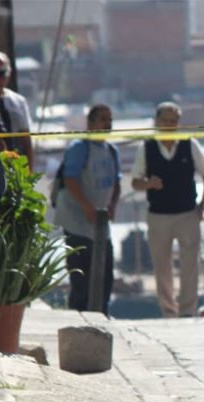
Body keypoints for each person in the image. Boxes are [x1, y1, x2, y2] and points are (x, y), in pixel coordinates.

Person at [131, 102, 204, 318]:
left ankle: (187, 310)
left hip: (187, 213)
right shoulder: (146, 148)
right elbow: (135, 182)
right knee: (162, 266)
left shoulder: (189, 144)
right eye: (165, 121)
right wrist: (149, 184)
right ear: (157, 122)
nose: (169, 125)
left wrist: (202, 204)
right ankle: (168, 311)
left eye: (173, 121)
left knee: (190, 264)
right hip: (158, 215)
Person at [53, 104, 120, 314]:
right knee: (81, 279)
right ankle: (79, 318)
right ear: (90, 123)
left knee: (104, 276)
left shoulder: (111, 151)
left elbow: (116, 183)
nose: (107, 124)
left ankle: (101, 315)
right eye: (103, 119)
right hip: (77, 223)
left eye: (109, 120)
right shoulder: (79, 148)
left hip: (100, 224)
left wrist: (112, 205)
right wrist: (87, 208)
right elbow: (70, 180)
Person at [0, 52, 33, 166]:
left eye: (1, 73)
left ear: (9, 73)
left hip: (16, 161)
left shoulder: (19, 102)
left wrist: (28, 171)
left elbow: (26, 141)